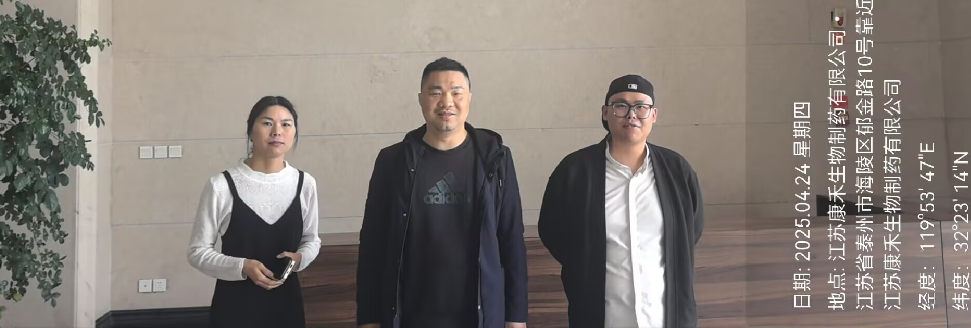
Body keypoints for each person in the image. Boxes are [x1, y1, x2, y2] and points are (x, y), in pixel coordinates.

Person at [355, 57, 528, 328]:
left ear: (469, 98)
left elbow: (512, 239)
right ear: (420, 99)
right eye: (436, 92)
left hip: (480, 316)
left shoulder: (496, 159)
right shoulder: (393, 161)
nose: (447, 102)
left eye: (456, 92)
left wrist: (516, 318)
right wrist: (368, 318)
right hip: (410, 315)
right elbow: (372, 244)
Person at [538, 75, 704, 328]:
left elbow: (691, 229)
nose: (631, 114)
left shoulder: (677, 170)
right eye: (621, 105)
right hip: (600, 318)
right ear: (605, 113)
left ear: (654, 115)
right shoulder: (574, 171)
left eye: (641, 106)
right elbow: (552, 231)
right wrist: (585, 263)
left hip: (665, 318)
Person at [188, 95, 321, 328]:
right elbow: (197, 252)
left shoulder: (305, 183)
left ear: (294, 133)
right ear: (250, 131)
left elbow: (311, 240)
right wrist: (242, 267)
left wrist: (301, 258)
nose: (277, 131)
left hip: (287, 307)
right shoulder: (221, 185)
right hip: (234, 309)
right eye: (267, 123)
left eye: (286, 124)